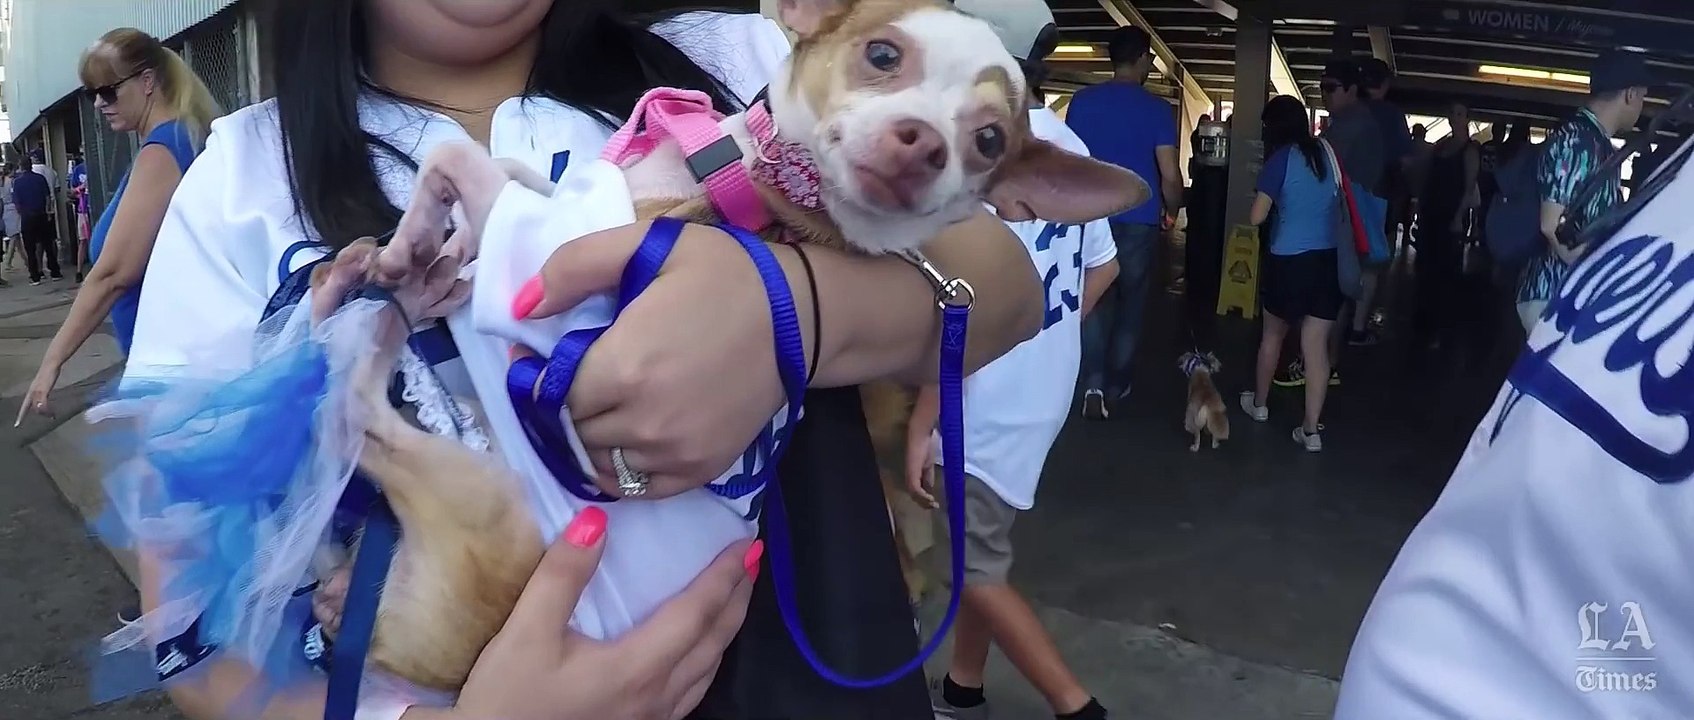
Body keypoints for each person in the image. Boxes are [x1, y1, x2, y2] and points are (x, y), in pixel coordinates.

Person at [114, 1, 1045, 718]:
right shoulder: (240, 176)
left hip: (779, 674)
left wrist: (789, 309)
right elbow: (188, 627)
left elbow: (1005, 292)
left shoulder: (742, 65)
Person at [1334, 55, 1692, 720]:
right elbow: (1558, 231)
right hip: (1558, 303)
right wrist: (1612, 271)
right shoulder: (1578, 142)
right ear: (1634, 94)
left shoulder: (1585, 141)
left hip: (1571, 309)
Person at [910, 2, 1116, 717]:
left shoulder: (978, 150)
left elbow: (960, 304)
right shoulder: (1065, 143)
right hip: (1041, 389)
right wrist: (1047, 330)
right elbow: (1105, 269)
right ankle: (964, 685)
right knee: (983, 555)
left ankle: (1074, 704)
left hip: (982, 399)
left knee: (975, 569)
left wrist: (921, 422)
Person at [15, 28, 222, 425]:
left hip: (176, 370)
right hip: (180, 362)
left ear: (147, 82)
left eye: (107, 91)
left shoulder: (163, 150)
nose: (97, 104)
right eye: (93, 92)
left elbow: (112, 274)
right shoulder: (179, 138)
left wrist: (52, 362)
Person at [1065, 25, 1183, 420]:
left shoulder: (1082, 103)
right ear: (1140, 59)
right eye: (1150, 57)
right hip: (1138, 218)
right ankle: (1117, 383)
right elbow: (1168, 173)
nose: (1151, 63)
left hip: (1090, 216)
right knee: (1131, 302)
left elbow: (1071, 163)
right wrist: (1173, 208)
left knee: (1093, 300)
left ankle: (1093, 382)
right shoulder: (1155, 110)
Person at [1516, 50, 1649, 332]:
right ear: (1630, 95)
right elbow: (1551, 224)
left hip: (1567, 295)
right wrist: (1591, 270)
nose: (1642, 106)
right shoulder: (1578, 140)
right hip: (1553, 295)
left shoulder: (1595, 142)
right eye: (1643, 97)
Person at [1239, 95, 1343, 453]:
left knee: (1273, 336)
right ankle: (1311, 431)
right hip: (1327, 261)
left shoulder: (1280, 159)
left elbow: (1255, 216)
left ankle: (1260, 405)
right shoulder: (1326, 153)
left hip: (1288, 261)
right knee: (1316, 348)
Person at [1274, 60, 1381, 390]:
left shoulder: (1348, 128)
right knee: (1338, 294)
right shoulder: (1356, 123)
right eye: (1321, 87)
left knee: (1329, 298)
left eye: (1330, 87)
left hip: (1342, 221)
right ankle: (1325, 363)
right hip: (1351, 218)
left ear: (1351, 90)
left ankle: (1317, 363)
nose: (1324, 94)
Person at [1349, 57, 1410, 347]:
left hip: (1343, 193)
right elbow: (1405, 158)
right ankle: (1357, 328)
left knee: (1342, 256)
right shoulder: (1391, 115)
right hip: (1378, 195)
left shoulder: (1349, 111)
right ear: (1385, 85)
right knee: (1370, 265)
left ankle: (1335, 322)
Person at [1412, 102, 1480, 348]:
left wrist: (1458, 216)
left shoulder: (1469, 150)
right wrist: (1420, 208)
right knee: (1427, 268)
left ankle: (1440, 328)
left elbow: (1469, 185)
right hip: (1432, 212)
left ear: (1466, 119)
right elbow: (1428, 179)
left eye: (1460, 113)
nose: (1454, 117)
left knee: (1444, 271)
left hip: (1449, 214)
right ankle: (1427, 324)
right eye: (1451, 112)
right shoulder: (1442, 146)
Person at [10, 159, 60, 285]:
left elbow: (17, 203)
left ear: (21, 166)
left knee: (30, 248)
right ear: (31, 166)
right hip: (42, 214)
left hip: (27, 217)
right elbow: (47, 197)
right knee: (48, 244)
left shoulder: (17, 182)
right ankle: (54, 271)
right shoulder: (40, 179)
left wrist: (22, 213)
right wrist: (48, 211)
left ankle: (35, 275)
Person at [70, 151, 91, 282]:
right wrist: (79, 189)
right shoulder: (78, 169)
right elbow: (71, 190)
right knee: (83, 240)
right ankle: (79, 271)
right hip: (83, 209)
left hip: (94, 207)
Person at [0, 167, 18, 280]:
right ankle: (8, 261)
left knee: (15, 236)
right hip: (11, 208)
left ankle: (10, 261)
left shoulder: (2, 182)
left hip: (5, 209)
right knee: (14, 235)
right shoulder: (10, 182)